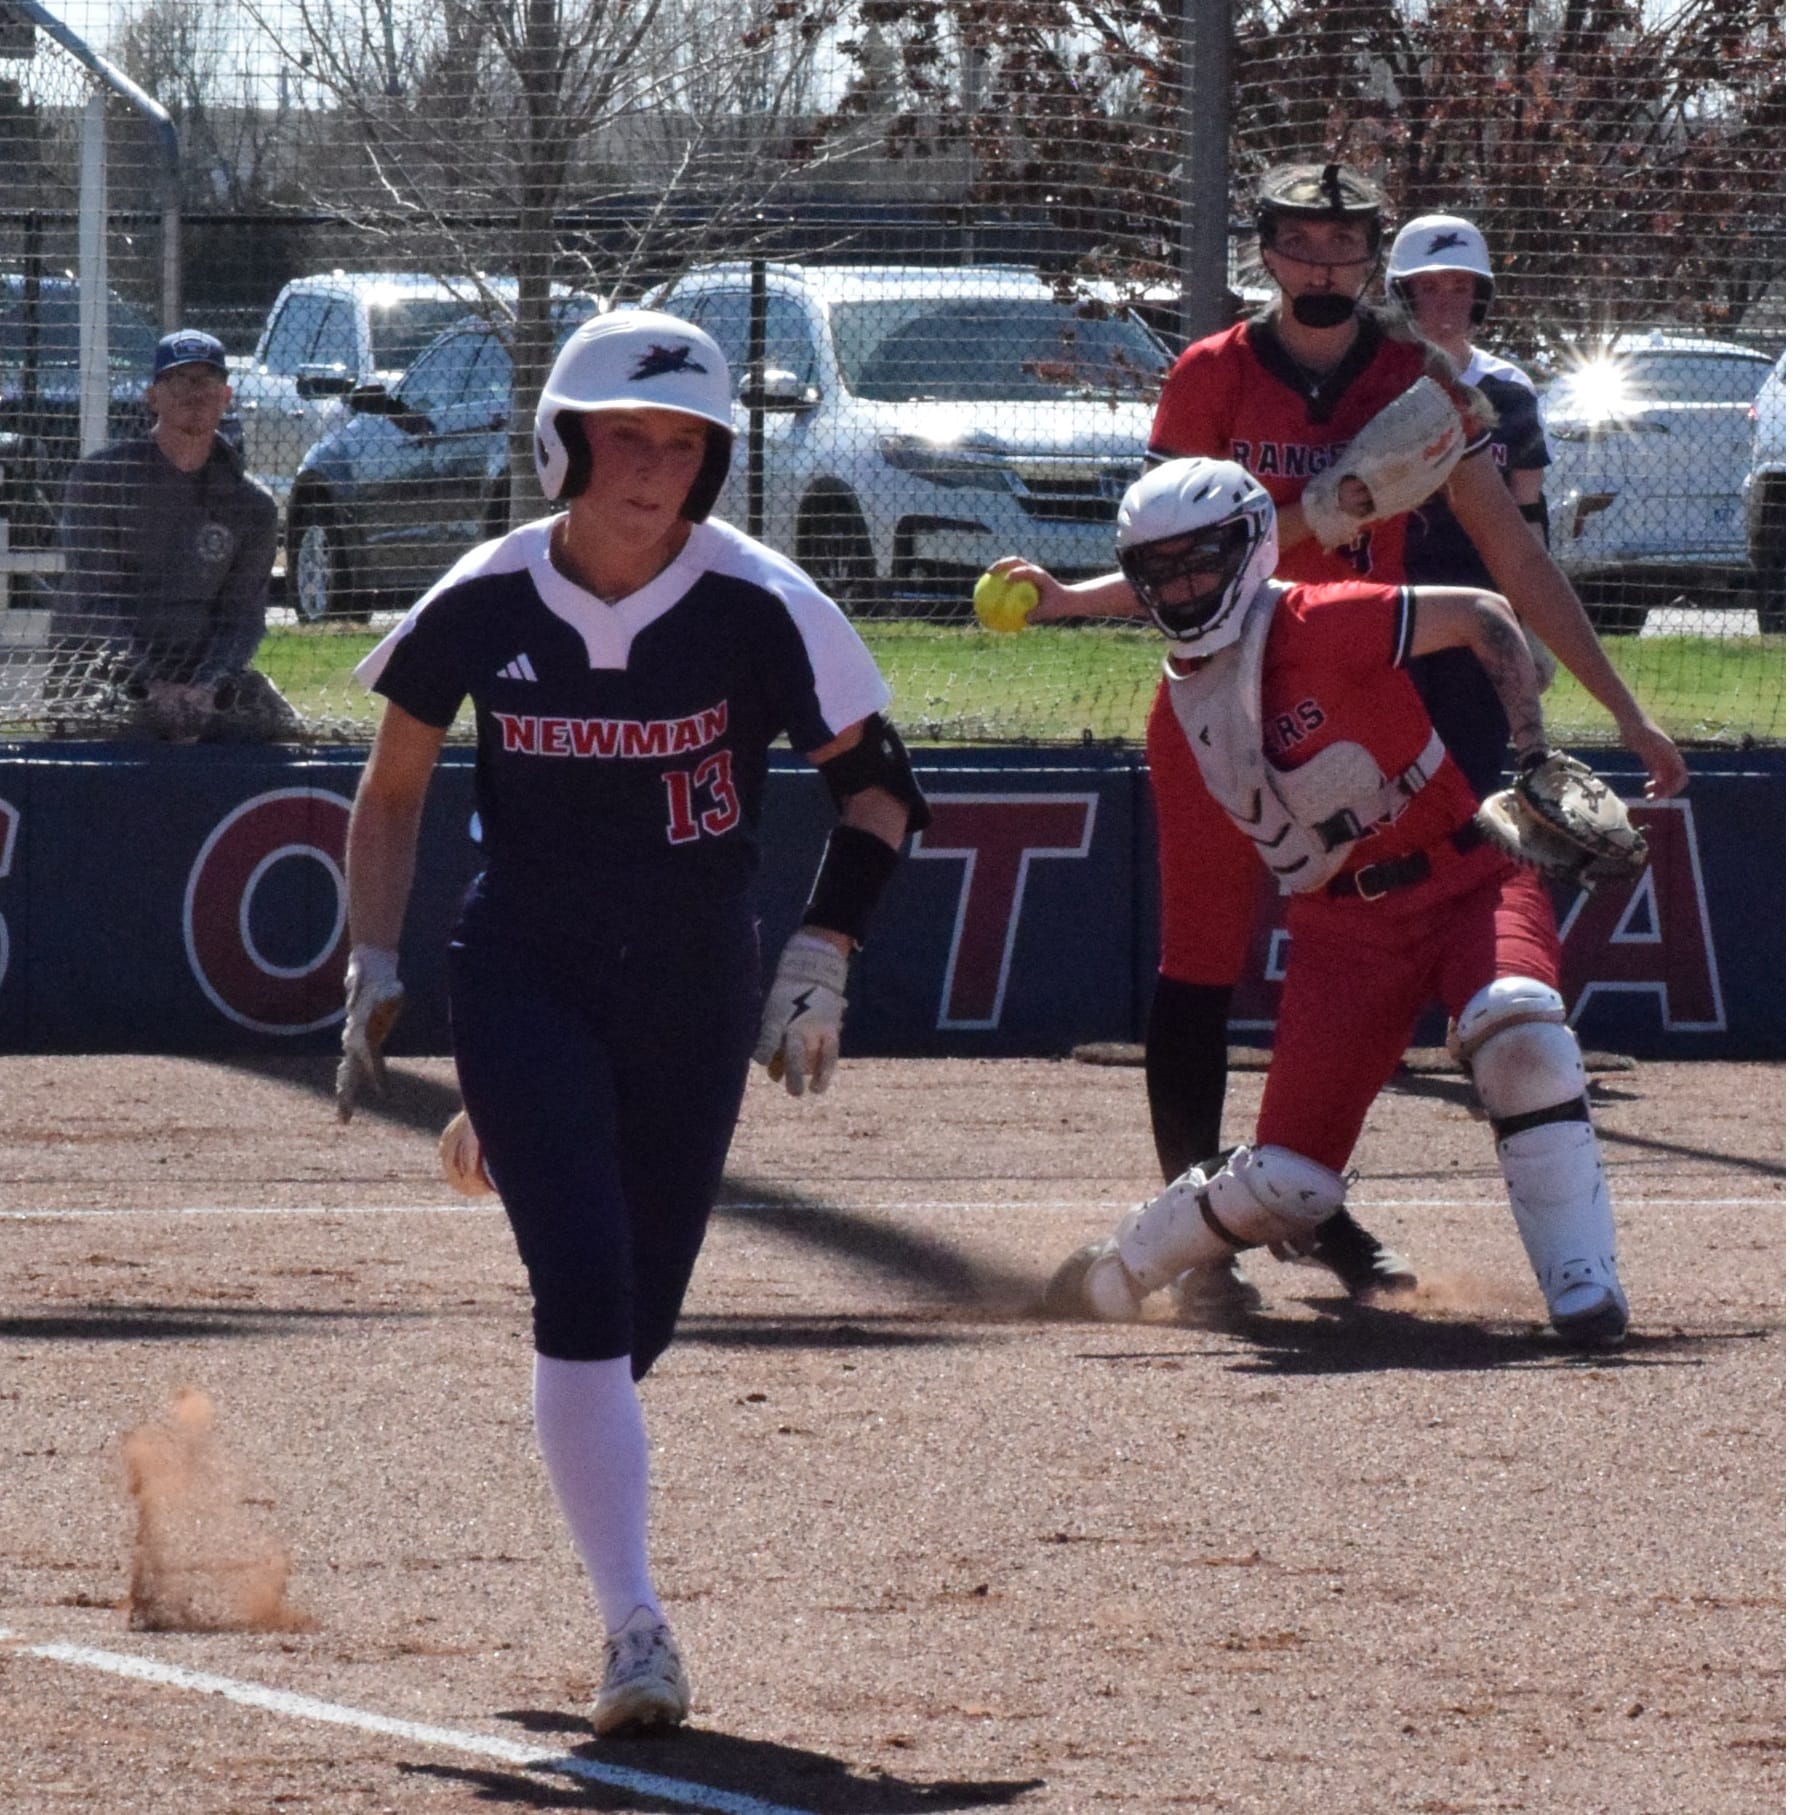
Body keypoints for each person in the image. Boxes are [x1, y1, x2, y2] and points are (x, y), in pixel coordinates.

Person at [333, 310, 930, 1737]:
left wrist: (822, 946)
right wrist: (368, 956)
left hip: (688, 978)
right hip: (523, 960)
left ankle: (531, 1124)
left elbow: (883, 794)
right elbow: (397, 788)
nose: (651, 470)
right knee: (585, 1292)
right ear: (563, 442)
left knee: (635, 1315)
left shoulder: (762, 602)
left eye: (681, 444)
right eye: (624, 437)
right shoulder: (483, 598)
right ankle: (635, 1628)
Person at [985, 162, 1686, 1318]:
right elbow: (1171, 559)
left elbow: (1513, 563)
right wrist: (1067, 599)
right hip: (1220, 706)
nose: (1322, 268)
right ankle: (1203, 1233)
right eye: (1300, 245)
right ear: (1263, 252)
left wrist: (1621, 708)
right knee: (1198, 965)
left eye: (1342, 247)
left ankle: (1313, 1210)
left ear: (1373, 259)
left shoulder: (1412, 381)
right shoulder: (1211, 372)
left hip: (1357, 681)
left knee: (1428, 962)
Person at [1047, 456, 1656, 1348]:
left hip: (1469, 877)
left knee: (1519, 1031)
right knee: (1291, 1181)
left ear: (1249, 548)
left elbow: (1486, 614)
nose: (1180, 584)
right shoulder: (1180, 718)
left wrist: (1529, 755)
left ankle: (1582, 1288)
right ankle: (1115, 1267)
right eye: (1159, 569)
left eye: (1198, 561)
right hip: (1341, 931)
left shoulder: (1320, 616)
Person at [49, 329, 297, 742]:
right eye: (179, 380)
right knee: (127, 732)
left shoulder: (253, 505)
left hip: (203, 682)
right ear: (153, 397)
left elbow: (243, 619)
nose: (194, 392)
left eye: (207, 381)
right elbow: (94, 602)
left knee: (284, 731)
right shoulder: (100, 481)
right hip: (103, 673)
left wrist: (206, 687)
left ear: (226, 397)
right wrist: (149, 684)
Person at [1384, 210, 1558, 794]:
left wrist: (1532, 631)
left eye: (1461, 285)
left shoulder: (1508, 389)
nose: (1447, 301)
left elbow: (1529, 516)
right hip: (1391, 609)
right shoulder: (1373, 382)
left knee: (1472, 777)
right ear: (1400, 295)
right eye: (1429, 287)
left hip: (1484, 616)